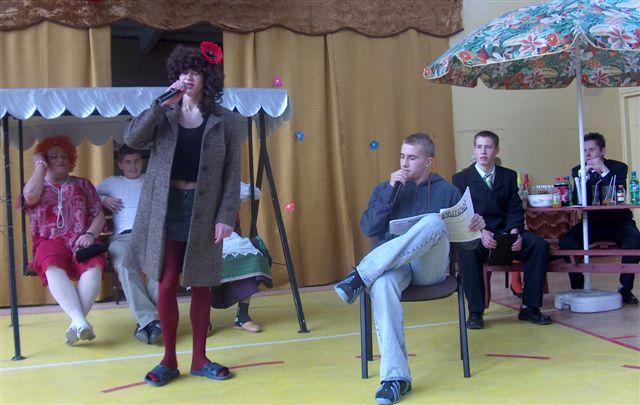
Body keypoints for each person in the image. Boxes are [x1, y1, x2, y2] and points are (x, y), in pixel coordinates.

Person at [334, 133, 484, 405]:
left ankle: (359, 276)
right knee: (381, 284)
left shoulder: (448, 191)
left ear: (428, 161)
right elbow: (369, 228)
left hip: (430, 269)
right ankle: (394, 379)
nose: (404, 163)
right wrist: (390, 193)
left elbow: (467, 247)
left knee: (433, 222)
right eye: (402, 156)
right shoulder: (386, 188)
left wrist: (474, 230)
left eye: (412, 157)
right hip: (395, 267)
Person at [123, 42, 241, 386]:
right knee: (166, 282)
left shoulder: (225, 120)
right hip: (166, 207)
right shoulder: (164, 113)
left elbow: (232, 172)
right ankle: (169, 360)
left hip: (204, 209)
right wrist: (160, 105)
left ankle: (200, 359)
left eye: (195, 72)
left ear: (207, 77)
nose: (188, 78)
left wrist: (226, 215)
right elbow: (132, 138)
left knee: (201, 283)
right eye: (182, 72)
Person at [453, 130, 552, 329]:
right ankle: (476, 311)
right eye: (479, 147)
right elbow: (462, 214)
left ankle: (530, 307)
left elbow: (515, 208)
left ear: (497, 150)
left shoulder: (508, 176)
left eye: (488, 147)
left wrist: (515, 232)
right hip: (478, 234)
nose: (483, 152)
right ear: (474, 150)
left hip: (506, 232)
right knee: (466, 250)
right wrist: (480, 232)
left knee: (539, 245)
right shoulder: (461, 178)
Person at [22, 135, 106, 346]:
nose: (60, 160)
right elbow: (29, 197)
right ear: (45, 160)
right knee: (50, 261)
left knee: (94, 264)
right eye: (53, 156)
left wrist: (90, 235)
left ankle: (77, 323)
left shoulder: (83, 184)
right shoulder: (37, 185)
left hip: (81, 240)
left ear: (71, 160)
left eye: (64, 156)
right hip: (49, 241)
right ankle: (79, 320)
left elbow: (98, 215)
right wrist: (39, 165)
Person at [559, 132, 639, 304]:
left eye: (591, 150)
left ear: (602, 151)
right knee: (566, 241)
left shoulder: (618, 168)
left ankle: (625, 289)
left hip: (618, 220)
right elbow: (577, 201)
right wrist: (584, 178)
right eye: (584, 150)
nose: (587, 154)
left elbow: (618, 194)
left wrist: (604, 172)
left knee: (635, 241)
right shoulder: (578, 170)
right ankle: (578, 286)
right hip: (591, 222)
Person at [96, 145, 162, 344]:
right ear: (120, 164)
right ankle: (151, 320)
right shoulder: (113, 182)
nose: (133, 166)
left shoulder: (150, 180)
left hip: (149, 236)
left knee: (158, 271)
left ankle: (149, 321)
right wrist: (103, 199)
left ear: (142, 162)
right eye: (128, 162)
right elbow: (86, 193)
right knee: (125, 265)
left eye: (137, 161)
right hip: (122, 239)